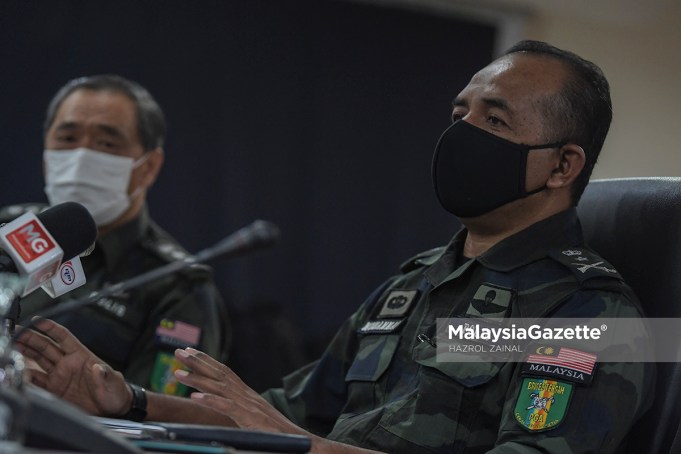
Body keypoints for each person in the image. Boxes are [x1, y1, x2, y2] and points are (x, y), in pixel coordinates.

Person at [16, 41, 654, 453]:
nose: (461, 132)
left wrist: (300, 445)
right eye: (459, 113)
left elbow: (290, 434)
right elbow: (283, 413)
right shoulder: (415, 284)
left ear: (563, 166)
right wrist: (125, 399)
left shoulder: (594, 316)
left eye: (494, 120)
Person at [4, 75, 231, 398]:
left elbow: (164, 420)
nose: (81, 156)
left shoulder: (176, 285)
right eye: (67, 138)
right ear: (45, 157)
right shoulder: (8, 229)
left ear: (149, 166)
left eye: (107, 144)